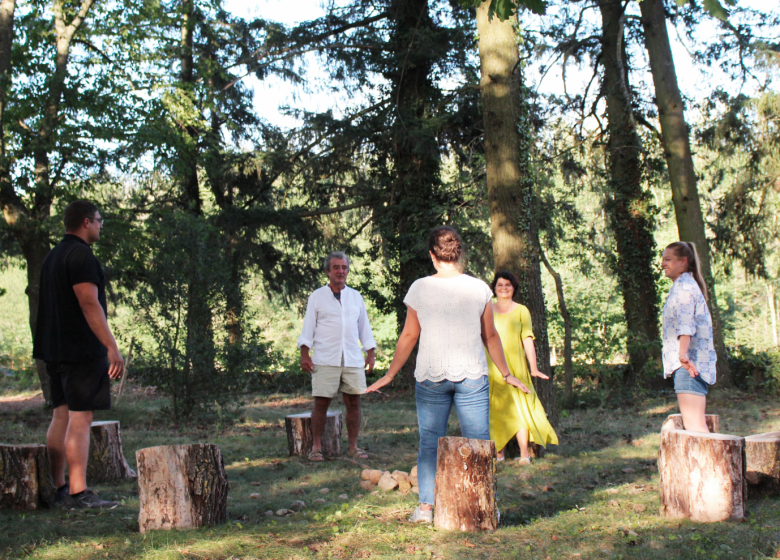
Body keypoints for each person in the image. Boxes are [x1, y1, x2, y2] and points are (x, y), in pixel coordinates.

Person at [366, 226, 528, 524]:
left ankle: (426, 509)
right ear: (459, 253)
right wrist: (506, 374)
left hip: (431, 376)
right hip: (472, 376)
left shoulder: (419, 288)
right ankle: (485, 506)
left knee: (430, 442)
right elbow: (490, 336)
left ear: (432, 255)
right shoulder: (479, 287)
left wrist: (390, 374)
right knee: (479, 441)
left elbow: (409, 335)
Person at [32, 200, 124, 509]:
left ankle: (60, 488)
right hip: (81, 350)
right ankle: (79, 492)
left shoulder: (53, 256)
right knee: (81, 418)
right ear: (85, 222)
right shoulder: (81, 256)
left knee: (61, 414)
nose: (101, 225)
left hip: (53, 350)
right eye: (99, 220)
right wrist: (111, 346)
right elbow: (89, 303)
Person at [298, 251, 376, 461]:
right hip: (325, 357)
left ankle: (353, 446)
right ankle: (316, 448)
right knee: (321, 403)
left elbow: (364, 327)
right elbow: (308, 328)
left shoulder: (355, 296)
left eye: (344, 267)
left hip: (352, 357)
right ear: (327, 271)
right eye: (336, 267)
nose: (341, 271)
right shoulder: (317, 296)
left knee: (353, 402)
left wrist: (370, 352)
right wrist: (305, 353)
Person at [487, 272, 558, 463]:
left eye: (508, 285)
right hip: (492, 367)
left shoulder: (521, 310)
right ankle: (499, 454)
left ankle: (524, 455)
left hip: (517, 367)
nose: (504, 288)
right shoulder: (487, 310)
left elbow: (527, 339)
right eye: (500, 285)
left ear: (514, 288)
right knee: (495, 410)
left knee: (521, 411)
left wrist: (533, 368)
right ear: (494, 288)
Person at [661, 241, 717, 432]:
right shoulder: (683, 285)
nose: (662, 264)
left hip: (688, 365)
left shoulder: (684, 288)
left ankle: (712, 463)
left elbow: (686, 325)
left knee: (696, 428)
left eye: (668, 259)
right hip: (687, 365)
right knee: (694, 426)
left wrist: (683, 355)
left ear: (683, 261)